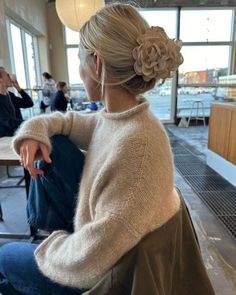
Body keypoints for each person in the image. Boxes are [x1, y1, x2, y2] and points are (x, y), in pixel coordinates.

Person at [0, 3, 213, 295]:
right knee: (58, 145)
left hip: (107, 275)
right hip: (105, 247)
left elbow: (93, 259)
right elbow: (69, 121)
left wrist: (52, 247)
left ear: (97, 64)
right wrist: (34, 131)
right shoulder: (119, 119)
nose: (79, 70)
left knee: (5, 257)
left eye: (80, 59)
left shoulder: (137, 148)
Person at [0, 67, 34, 137]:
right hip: (5, 138)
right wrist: (30, 122)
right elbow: (7, 122)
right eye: (7, 75)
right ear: (1, 80)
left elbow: (29, 103)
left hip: (16, 133)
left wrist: (19, 88)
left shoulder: (10, 96)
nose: (11, 77)